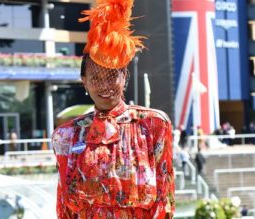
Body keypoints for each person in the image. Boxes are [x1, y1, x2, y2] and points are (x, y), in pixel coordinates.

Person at [52, 0, 175, 218]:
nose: (104, 86)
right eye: (95, 78)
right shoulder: (67, 135)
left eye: (111, 76)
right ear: (84, 81)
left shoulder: (153, 124)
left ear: (124, 76)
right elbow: (64, 204)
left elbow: (164, 199)